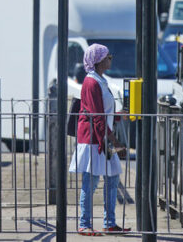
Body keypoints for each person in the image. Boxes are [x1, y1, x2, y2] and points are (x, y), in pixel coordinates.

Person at [69, 44, 129, 235]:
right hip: (94, 140)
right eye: (107, 56)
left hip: (101, 138)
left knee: (112, 179)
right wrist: (114, 141)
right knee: (91, 182)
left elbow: (105, 111)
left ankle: (109, 222)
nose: (111, 59)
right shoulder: (91, 82)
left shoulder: (100, 80)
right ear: (99, 60)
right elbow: (97, 115)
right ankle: (84, 224)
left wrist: (118, 115)